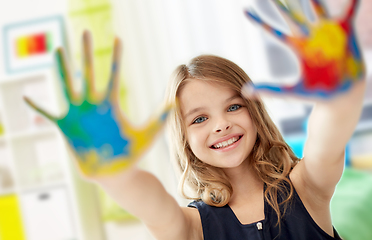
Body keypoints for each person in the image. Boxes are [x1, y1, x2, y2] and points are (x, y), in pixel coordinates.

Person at [25, 0, 366, 239]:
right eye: (199, 118)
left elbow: (327, 139)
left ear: (255, 113)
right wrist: (114, 172)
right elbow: (151, 204)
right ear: (183, 136)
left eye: (233, 107)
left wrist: (339, 96)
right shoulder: (191, 227)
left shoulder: (307, 188)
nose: (221, 125)